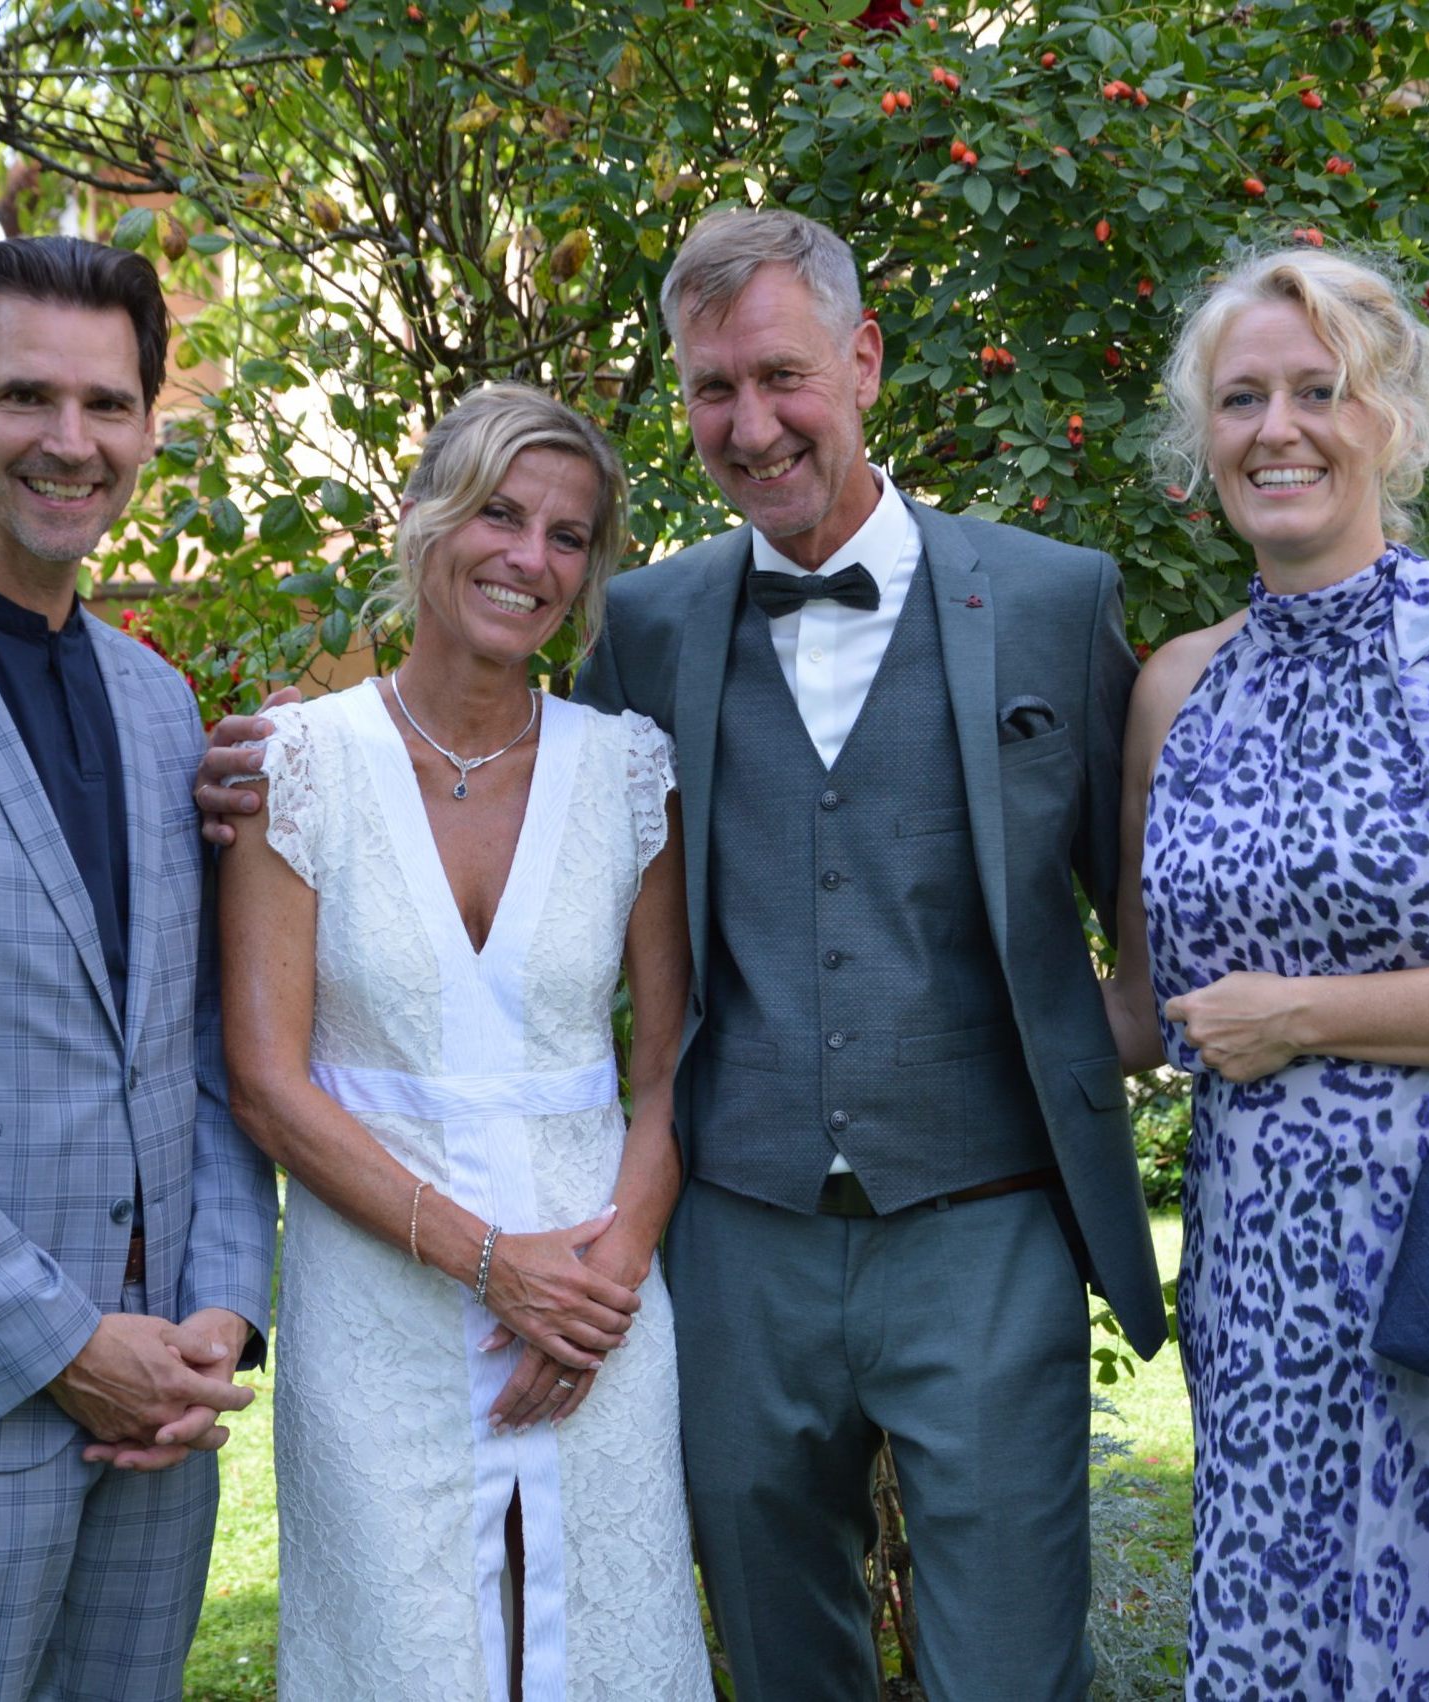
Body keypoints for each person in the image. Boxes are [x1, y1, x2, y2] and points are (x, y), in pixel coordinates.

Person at [202, 210, 1165, 1700]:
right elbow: (506, 795)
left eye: (780, 374)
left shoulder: (1049, 599)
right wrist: (275, 764)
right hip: (735, 1244)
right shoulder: (645, 627)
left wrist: (1112, 1028)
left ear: (861, 360)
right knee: (781, 1656)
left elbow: (1146, 882)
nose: (751, 421)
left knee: (1012, 1663)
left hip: (983, 1224)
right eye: (712, 388)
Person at [1102, 246, 1429, 1697]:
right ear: (1198, 444)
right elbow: (1144, 1012)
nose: (1278, 427)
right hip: (1263, 1290)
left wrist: (1304, 1015)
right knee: (1282, 1646)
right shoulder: (1176, 691)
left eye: (1317, 389)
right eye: (1240, 396)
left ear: (1387, 413)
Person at [216, 382, 710, 1700]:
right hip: (379, 1303)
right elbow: (266, 1080)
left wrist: (598, 1284)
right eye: (499, 513)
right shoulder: (299, 763)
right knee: (399, 1653)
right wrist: (492, 1263)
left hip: (596, 1313)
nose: (529, 558)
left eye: (567, 535)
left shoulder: (626, 769)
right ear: (425, 519)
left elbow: (665, 1066)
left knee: (606, 1646)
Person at [0, 236, 279, 1701]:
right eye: (26, 398)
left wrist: (222, 1314)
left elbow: (195, 1038)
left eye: (108, 405)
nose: (72, 443)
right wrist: (60, 1340)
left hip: (165, 1427)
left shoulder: (159, 699)